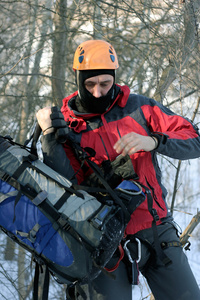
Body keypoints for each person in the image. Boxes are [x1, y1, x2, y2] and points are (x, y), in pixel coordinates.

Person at [36, 39, 200, 300]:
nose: (98, 92)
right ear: (78, 80)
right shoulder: (65, 125)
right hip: (101, 242)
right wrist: (48, 136)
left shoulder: (140, 107)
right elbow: (63, 187)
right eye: (89, 85)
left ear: (114, 78)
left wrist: (154, 141)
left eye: (105, 83)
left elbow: (194, 138)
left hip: (156, 229)